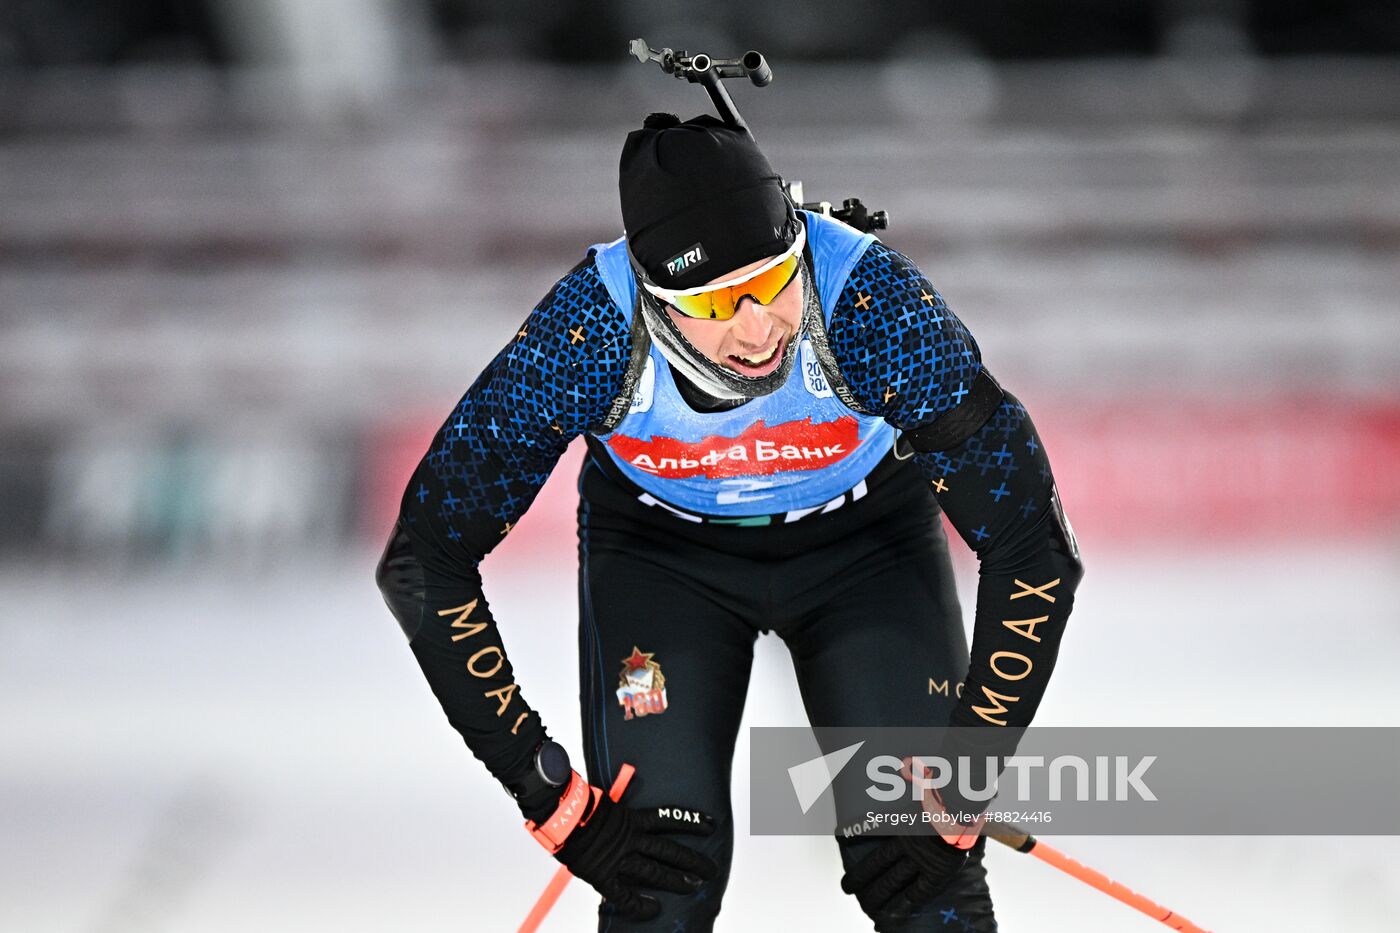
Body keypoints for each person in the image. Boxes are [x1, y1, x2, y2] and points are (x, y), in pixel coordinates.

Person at [376, 112, 1083, 932]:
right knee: (663, 875)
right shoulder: (589, 331)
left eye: (776, 282)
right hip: (663, 559)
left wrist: (965, 781)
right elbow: (423, 558)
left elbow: (1033, 545)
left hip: (867, 549)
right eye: (715, 300)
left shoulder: (871, 304)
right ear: (654, 297)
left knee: (919, 872)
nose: (757, 328)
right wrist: (549, 795)